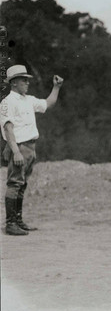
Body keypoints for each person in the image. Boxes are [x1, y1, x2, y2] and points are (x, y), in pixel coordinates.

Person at [1, 64, 63, 235]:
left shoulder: (28, 99)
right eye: (23, 80)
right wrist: (16, 151)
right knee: (14, 183)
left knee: (22, 184)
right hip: (19, 147)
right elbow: (8, 129)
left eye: (27, 80)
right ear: (14, 83)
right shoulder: (7, 102)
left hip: (30, 147)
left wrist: (56, 87)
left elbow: (47, 103)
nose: (27, 83)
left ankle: (18, 220)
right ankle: (10, 223)